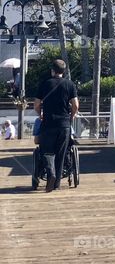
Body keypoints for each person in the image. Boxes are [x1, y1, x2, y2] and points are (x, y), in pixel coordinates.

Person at [34, 59, 79, 192]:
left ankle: (50, 174)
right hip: (64, 124)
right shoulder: (70, 84)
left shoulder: (45, 84)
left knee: (47, 151)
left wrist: (40, 114)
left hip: (48, 123)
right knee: (61, 154)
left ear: (52, 70)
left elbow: (36, 104)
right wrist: (70, 117)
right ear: (63, 71)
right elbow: (75, 105)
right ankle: (57, 184)